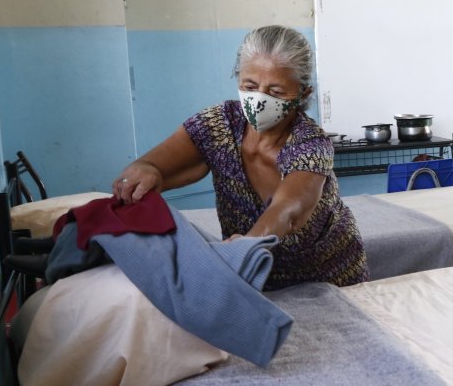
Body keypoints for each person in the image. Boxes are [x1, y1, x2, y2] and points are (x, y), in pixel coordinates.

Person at [112, 25, 367, 290]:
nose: (259, 100)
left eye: (276, 92)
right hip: (250, 281)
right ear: (238, 80)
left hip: (327, 280)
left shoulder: (310, 144)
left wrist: (248, 246)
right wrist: (145, 170)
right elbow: (152, 166)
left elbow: (288, 210)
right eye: (250, 86)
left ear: (304, 94)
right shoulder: (218, 125)